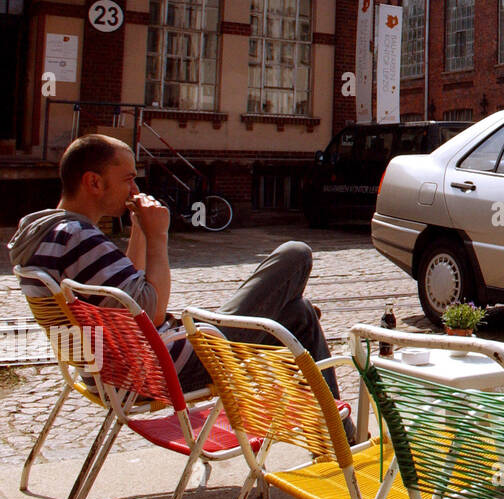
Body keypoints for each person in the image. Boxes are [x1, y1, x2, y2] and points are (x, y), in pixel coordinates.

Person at [7, 135, 347, 415]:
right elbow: (151, 310)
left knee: (297, 315)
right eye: (127, 178)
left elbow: (128, 295)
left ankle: (339, 437)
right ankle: (341, 439)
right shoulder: (79, 237)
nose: (133, 189)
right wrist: (158, 237)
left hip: (119, 369)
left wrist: (139, 231)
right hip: (167, 369)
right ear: (94, 182)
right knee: (295, 254)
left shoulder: (46, 234)